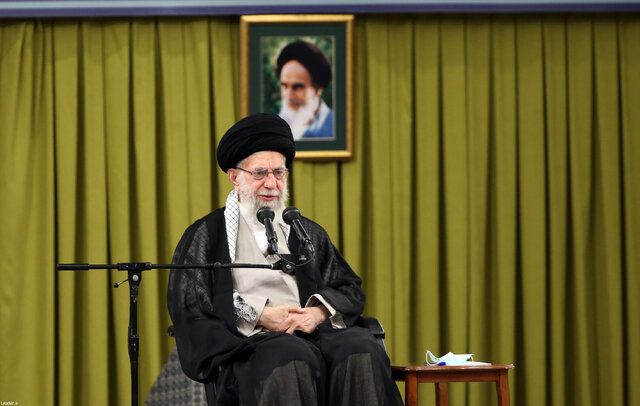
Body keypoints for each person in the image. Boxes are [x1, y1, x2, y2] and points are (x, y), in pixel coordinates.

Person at [168, 113, 402, 406]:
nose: (271, 183)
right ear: (235, 177)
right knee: (290, 354)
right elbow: (190, 303)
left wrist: (317, 312)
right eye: (260, 173)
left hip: (314, 333)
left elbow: (348, 287)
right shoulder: (208, 234)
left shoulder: (303, 231)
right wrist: (260, 314)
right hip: (251, 344)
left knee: (361, 347)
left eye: (279, 173)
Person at [276, 40, 334, 140]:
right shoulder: (273, 128)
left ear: (318, 89)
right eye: (284, 86)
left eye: (297, 87)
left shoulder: (336, 127)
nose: (289, 95)